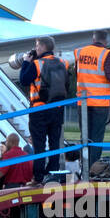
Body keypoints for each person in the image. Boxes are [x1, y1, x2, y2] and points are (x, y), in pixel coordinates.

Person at [73, 31, 110, 167]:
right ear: (105, 41)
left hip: (82, 101)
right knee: (96, 137)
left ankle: (84, 167)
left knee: (85, 137)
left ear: (93, 39)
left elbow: (77, 72)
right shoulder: (107, 54)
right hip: (99, 101)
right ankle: (93, 168)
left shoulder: (80, 52)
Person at [17, 37, 71, 184]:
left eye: (36, 46)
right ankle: (52, 175)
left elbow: (23, 80)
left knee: (39, 144)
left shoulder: (36, 64)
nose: (35, 49)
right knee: (54, 143)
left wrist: (26, 62)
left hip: (39, 109)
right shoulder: (63, 63)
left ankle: (38, 177)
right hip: (57, 109)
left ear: (41, 47)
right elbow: (67, 85)